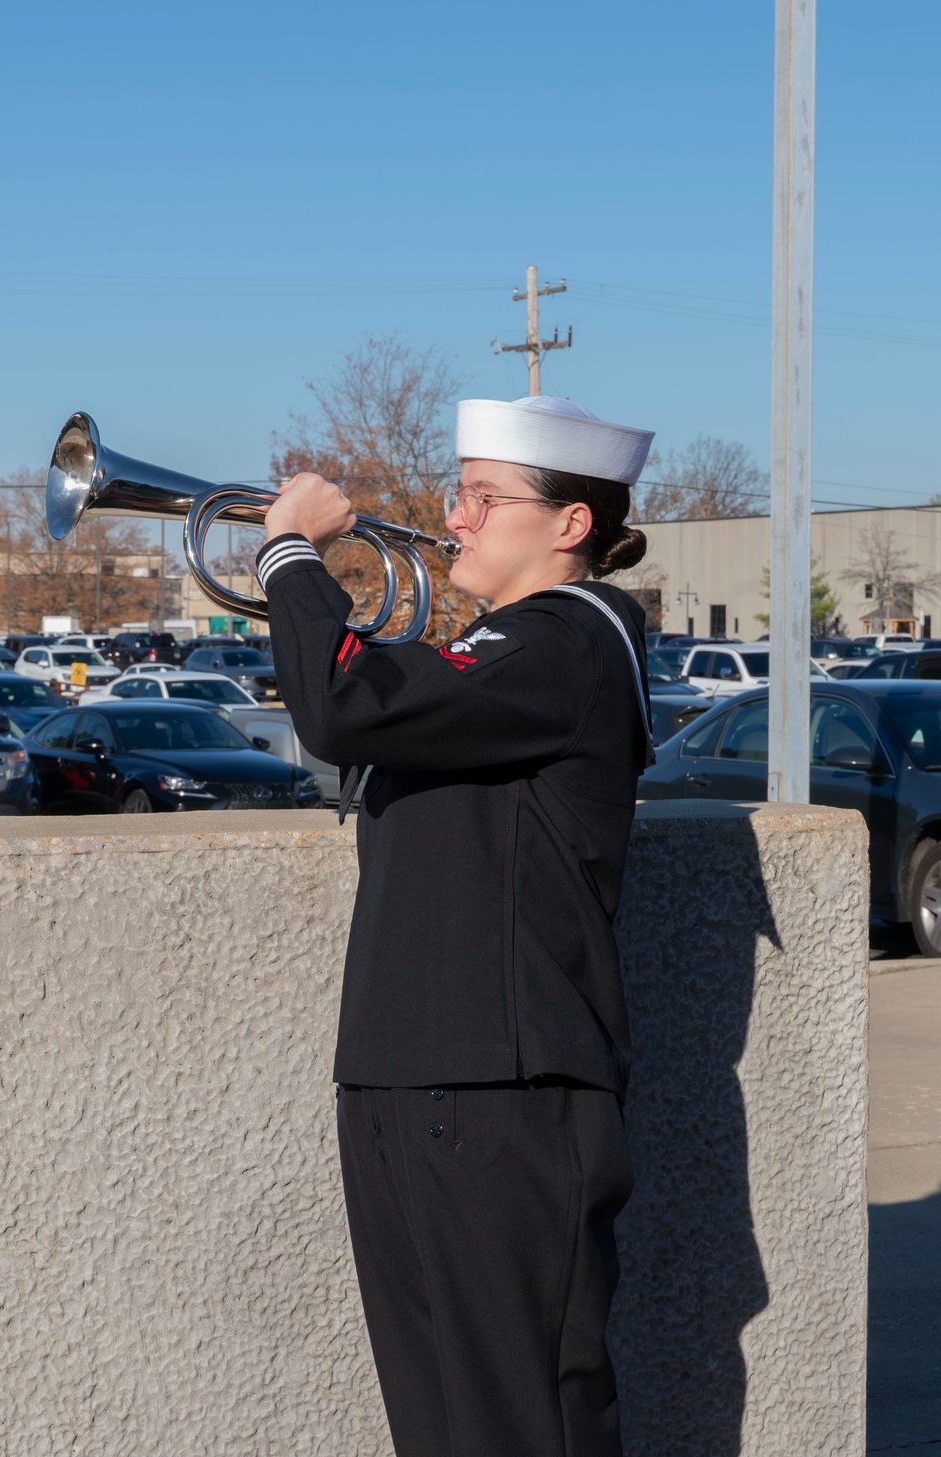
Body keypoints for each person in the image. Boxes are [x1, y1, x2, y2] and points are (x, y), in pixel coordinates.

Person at [258, 394, 655, 1457]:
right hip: (410, 1072)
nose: (457, 519)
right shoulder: (503, 647)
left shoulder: (568, 641)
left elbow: (343, 703)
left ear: (569, 524)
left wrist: (293, 555)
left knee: (515, 1420)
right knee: (441, 1424)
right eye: (458, 494)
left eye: (484, 496)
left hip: (501, 1093)